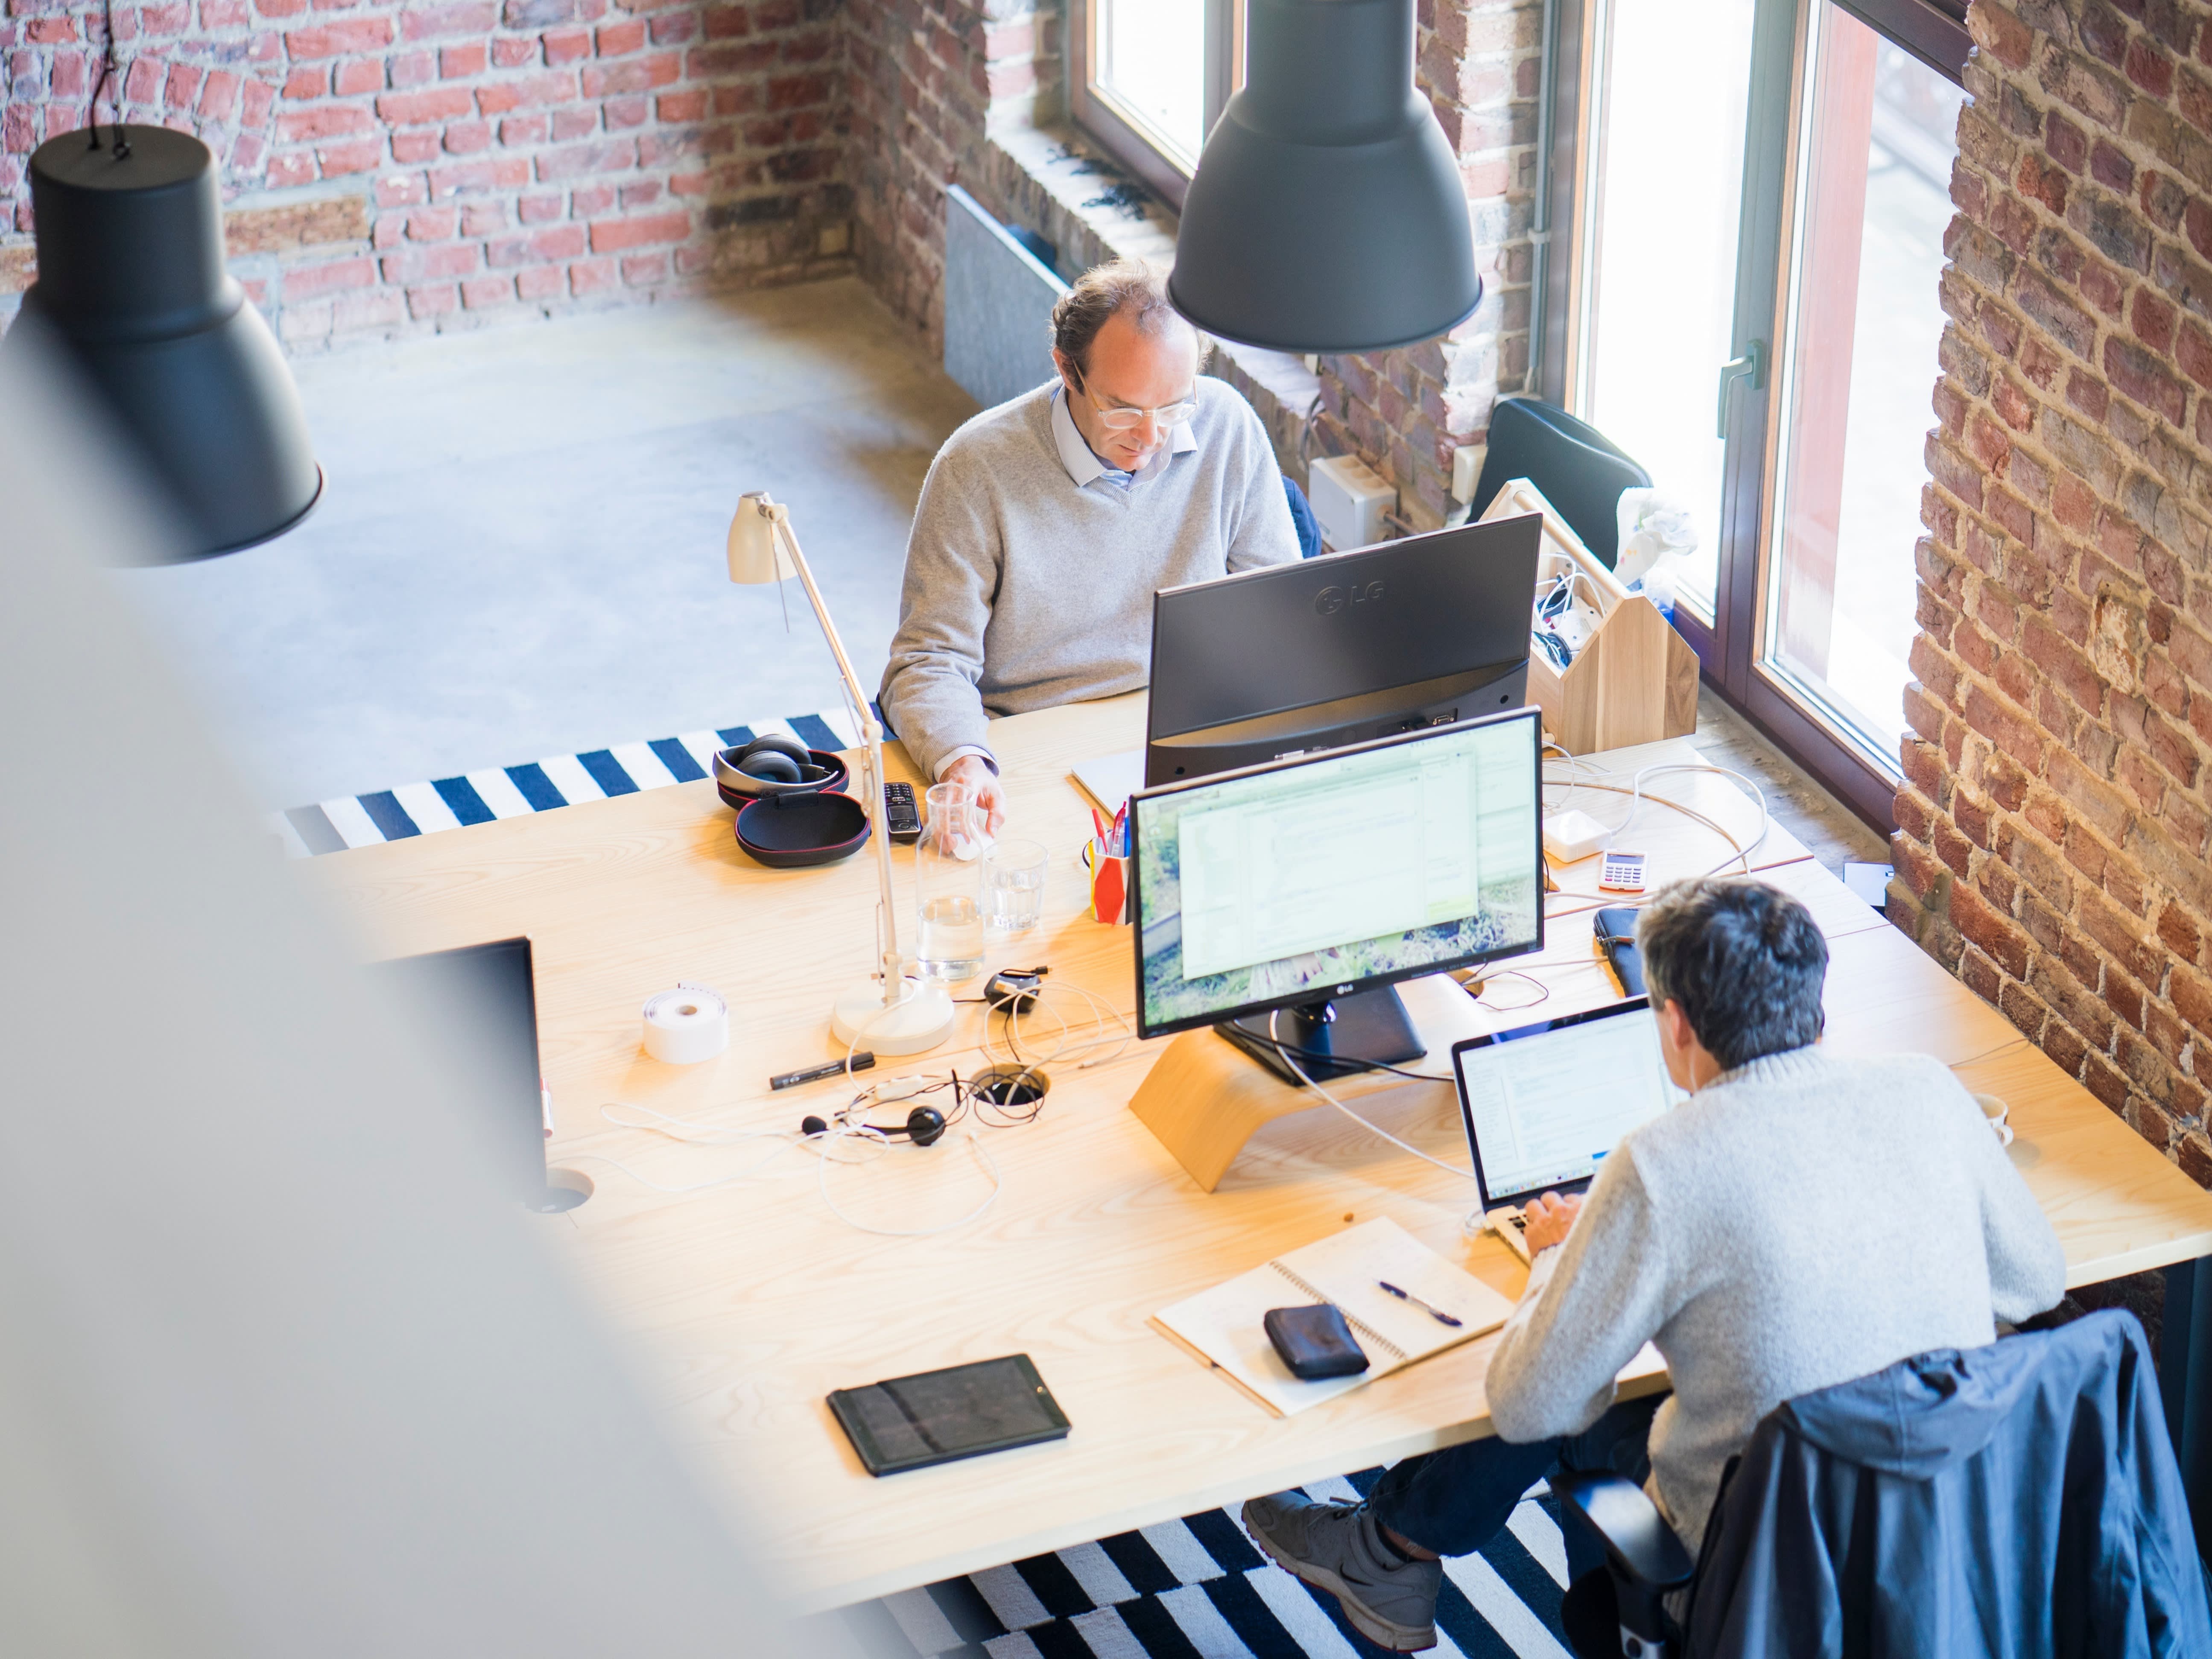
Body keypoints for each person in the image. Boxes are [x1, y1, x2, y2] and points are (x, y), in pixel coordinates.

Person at [1241, 877, 2067, 1653]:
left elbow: (1530, 1404)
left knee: (1574, 1397)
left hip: (1752, 1591)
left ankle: (1385, 1551)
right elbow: (2036, 1282)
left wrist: (1557, 1258)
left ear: (1674, 1023)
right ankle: (1385, 1547)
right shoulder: (1926, 1090)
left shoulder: (1661, 1162)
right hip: (1948, 1553)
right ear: (1816, 1004)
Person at [878, 259, 1300, 831]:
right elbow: (927, 661)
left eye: (1173, 407)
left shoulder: (1225, 423)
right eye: (1123, 408)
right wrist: (963, 762)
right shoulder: (974, 467)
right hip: (1030, 742)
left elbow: (1276, 612)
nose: (1150, 438)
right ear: (1067, 371)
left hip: (1180, 728)